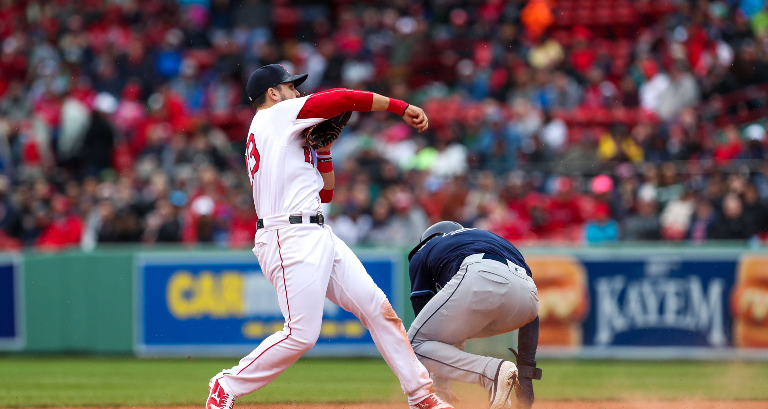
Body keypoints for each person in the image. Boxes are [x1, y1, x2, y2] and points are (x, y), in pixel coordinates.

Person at [205, 65, 453, 409]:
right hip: (288, 235)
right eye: (291, 87)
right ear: (273, 93)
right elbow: (344, 97)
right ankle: (225, 384)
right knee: (302, 334)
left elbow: (326, 195)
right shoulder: (274, 116)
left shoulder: (287, 132)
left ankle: (421, 395)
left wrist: (323, 150)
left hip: (316, 231)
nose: (297, 93)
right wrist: (400, 107)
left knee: (378, 309)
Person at [406, 221, 542, 409]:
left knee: (414, 345)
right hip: (527, 296)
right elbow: (531, 317)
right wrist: (526, 374)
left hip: (481, 276)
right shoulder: (488, 238)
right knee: (443, 335)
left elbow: (424, 318)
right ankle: (442, 399)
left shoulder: (425, 249)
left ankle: (492, 372)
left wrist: (435, 367)